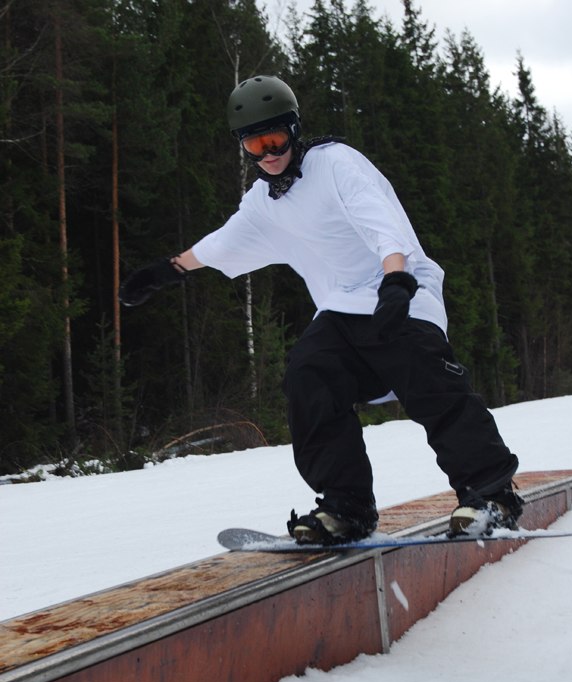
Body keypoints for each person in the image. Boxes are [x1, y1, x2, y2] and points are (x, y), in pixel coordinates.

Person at [119, 74, 523, 545]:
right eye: (255, 145)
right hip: (341, 308)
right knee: (307, 374)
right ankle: (346, 506)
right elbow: (221, 243)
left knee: (424, 373)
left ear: (293, 131)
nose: (269, 154)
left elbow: (380, 219)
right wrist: (168, 270)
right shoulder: (263, 203)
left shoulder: (335, 164)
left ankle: (492, 494)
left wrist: (396, 278)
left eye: (275, 139)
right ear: (243, 147)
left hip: (401, 290)